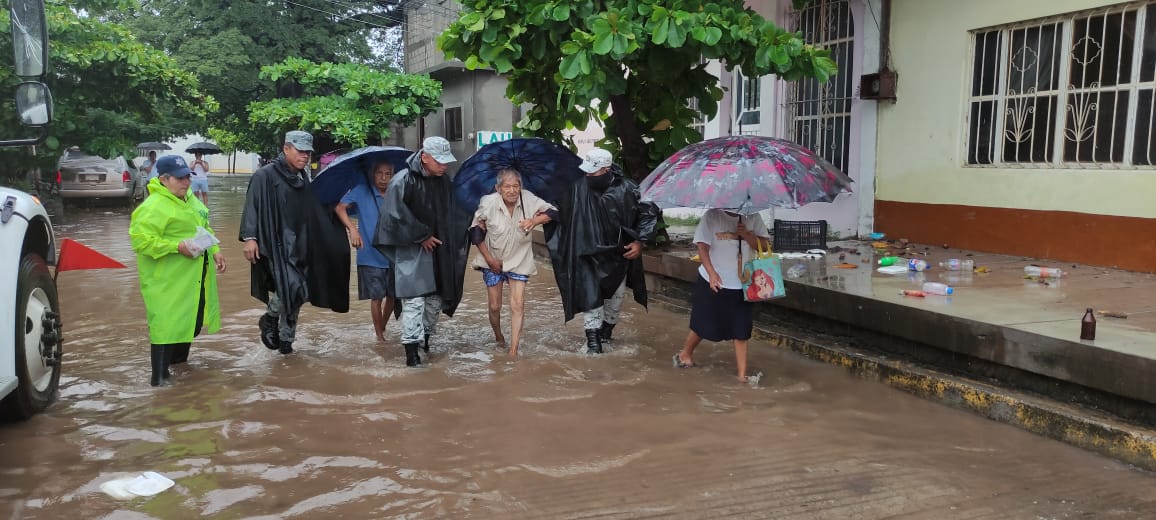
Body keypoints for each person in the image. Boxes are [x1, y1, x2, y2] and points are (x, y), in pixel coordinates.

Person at [239, 130, 350, 355]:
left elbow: (311, 207)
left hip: (300, 242)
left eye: (308, 152)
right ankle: (269, 319)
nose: (305, 156)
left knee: (298, 293)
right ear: (286, 148)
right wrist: (250, 238)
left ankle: (287, 342)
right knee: (291, 286)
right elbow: (252, 206)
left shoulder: (303, 177)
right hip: (275, 242)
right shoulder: (265, 175)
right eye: (300, 151)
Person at [544, 148, 659, 354]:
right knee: (591, 297)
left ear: (606, 169)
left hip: (618, 256)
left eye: (593, 172)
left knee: (614, 303)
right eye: (586, 172)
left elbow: (648, 213)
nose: (588, 175)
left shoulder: (629, 189)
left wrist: (640, 242)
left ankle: (605, 334)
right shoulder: (577, 188)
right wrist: (537, 216)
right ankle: (593, 343)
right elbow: (558, 210)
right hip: (586, 254)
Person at [129, 155, 226, 387]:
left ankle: (180, 373)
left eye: (188, 177)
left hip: (193, 279)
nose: (186, 182)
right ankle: (160, 382)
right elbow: (141, 242)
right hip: (166, 281)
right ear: (163, 179)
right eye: (180, 178)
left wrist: (215, 249)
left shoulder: (191, 199)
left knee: (189, 323)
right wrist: (176, 246)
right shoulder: (153, 207)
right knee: (165, 326)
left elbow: (204, 227)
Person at [374, 136, 469, 367]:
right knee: (414, 300)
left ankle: (425, 340)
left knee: (435, 300)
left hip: (438, 250)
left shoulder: (444, 181)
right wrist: (421, 235)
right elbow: (394, 216)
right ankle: (411, 354)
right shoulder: (402, 181)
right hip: (411, 252)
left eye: (446, 161)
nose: (444, 165)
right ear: (425, 157)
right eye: (439, 161)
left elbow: (454, 211)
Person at [673, 209, 770, 382]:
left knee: (742, 328)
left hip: (743, 282)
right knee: (704, 323)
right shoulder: (712, 216)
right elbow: (702, 247)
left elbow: (764, 245)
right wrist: (711, 273)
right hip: (713, 279)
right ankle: (685, 353)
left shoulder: (753, 216)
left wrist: (747, 235)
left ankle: (742, 375)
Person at [469, 169, 556, 356]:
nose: (512, 190)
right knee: (494, 306)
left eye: (516, 186)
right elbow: (475, 233)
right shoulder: (488, 202)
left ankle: (513, 350)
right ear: (498, 188)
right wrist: (490, 260)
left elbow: (553, 212)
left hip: (519, 259)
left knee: (518, 305)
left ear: (521, 187)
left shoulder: (528, 199)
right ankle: (499, 336)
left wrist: (534, 220)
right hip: (493, 259)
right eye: (507, 186)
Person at [335, 161, 398, 343]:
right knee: (376, 296)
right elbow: (339, 208)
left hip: (393, 252)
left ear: (393, 175)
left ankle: (382, 327)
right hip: (369, 253)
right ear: (373, 174)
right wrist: (352, 229)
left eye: (388, 173)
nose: (384, 178)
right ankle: (379, 337)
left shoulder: (396, 192)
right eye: (380, 173)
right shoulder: (362, 190)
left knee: (393, 296)